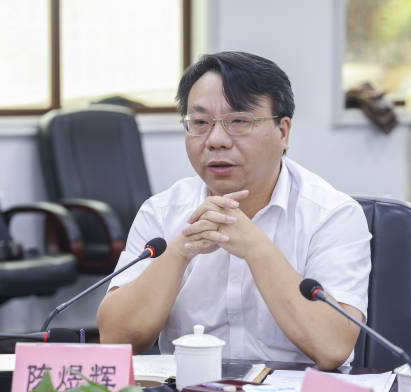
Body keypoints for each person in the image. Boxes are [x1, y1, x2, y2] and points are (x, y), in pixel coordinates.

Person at [97, 52, 371, 370]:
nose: (216, 140)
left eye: (239, 122)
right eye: (200, 123)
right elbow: (116, 339)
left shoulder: (333, 215)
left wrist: (256, 248)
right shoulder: (161, 212)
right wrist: (179, 252)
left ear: (283, 132)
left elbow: (333, 347)